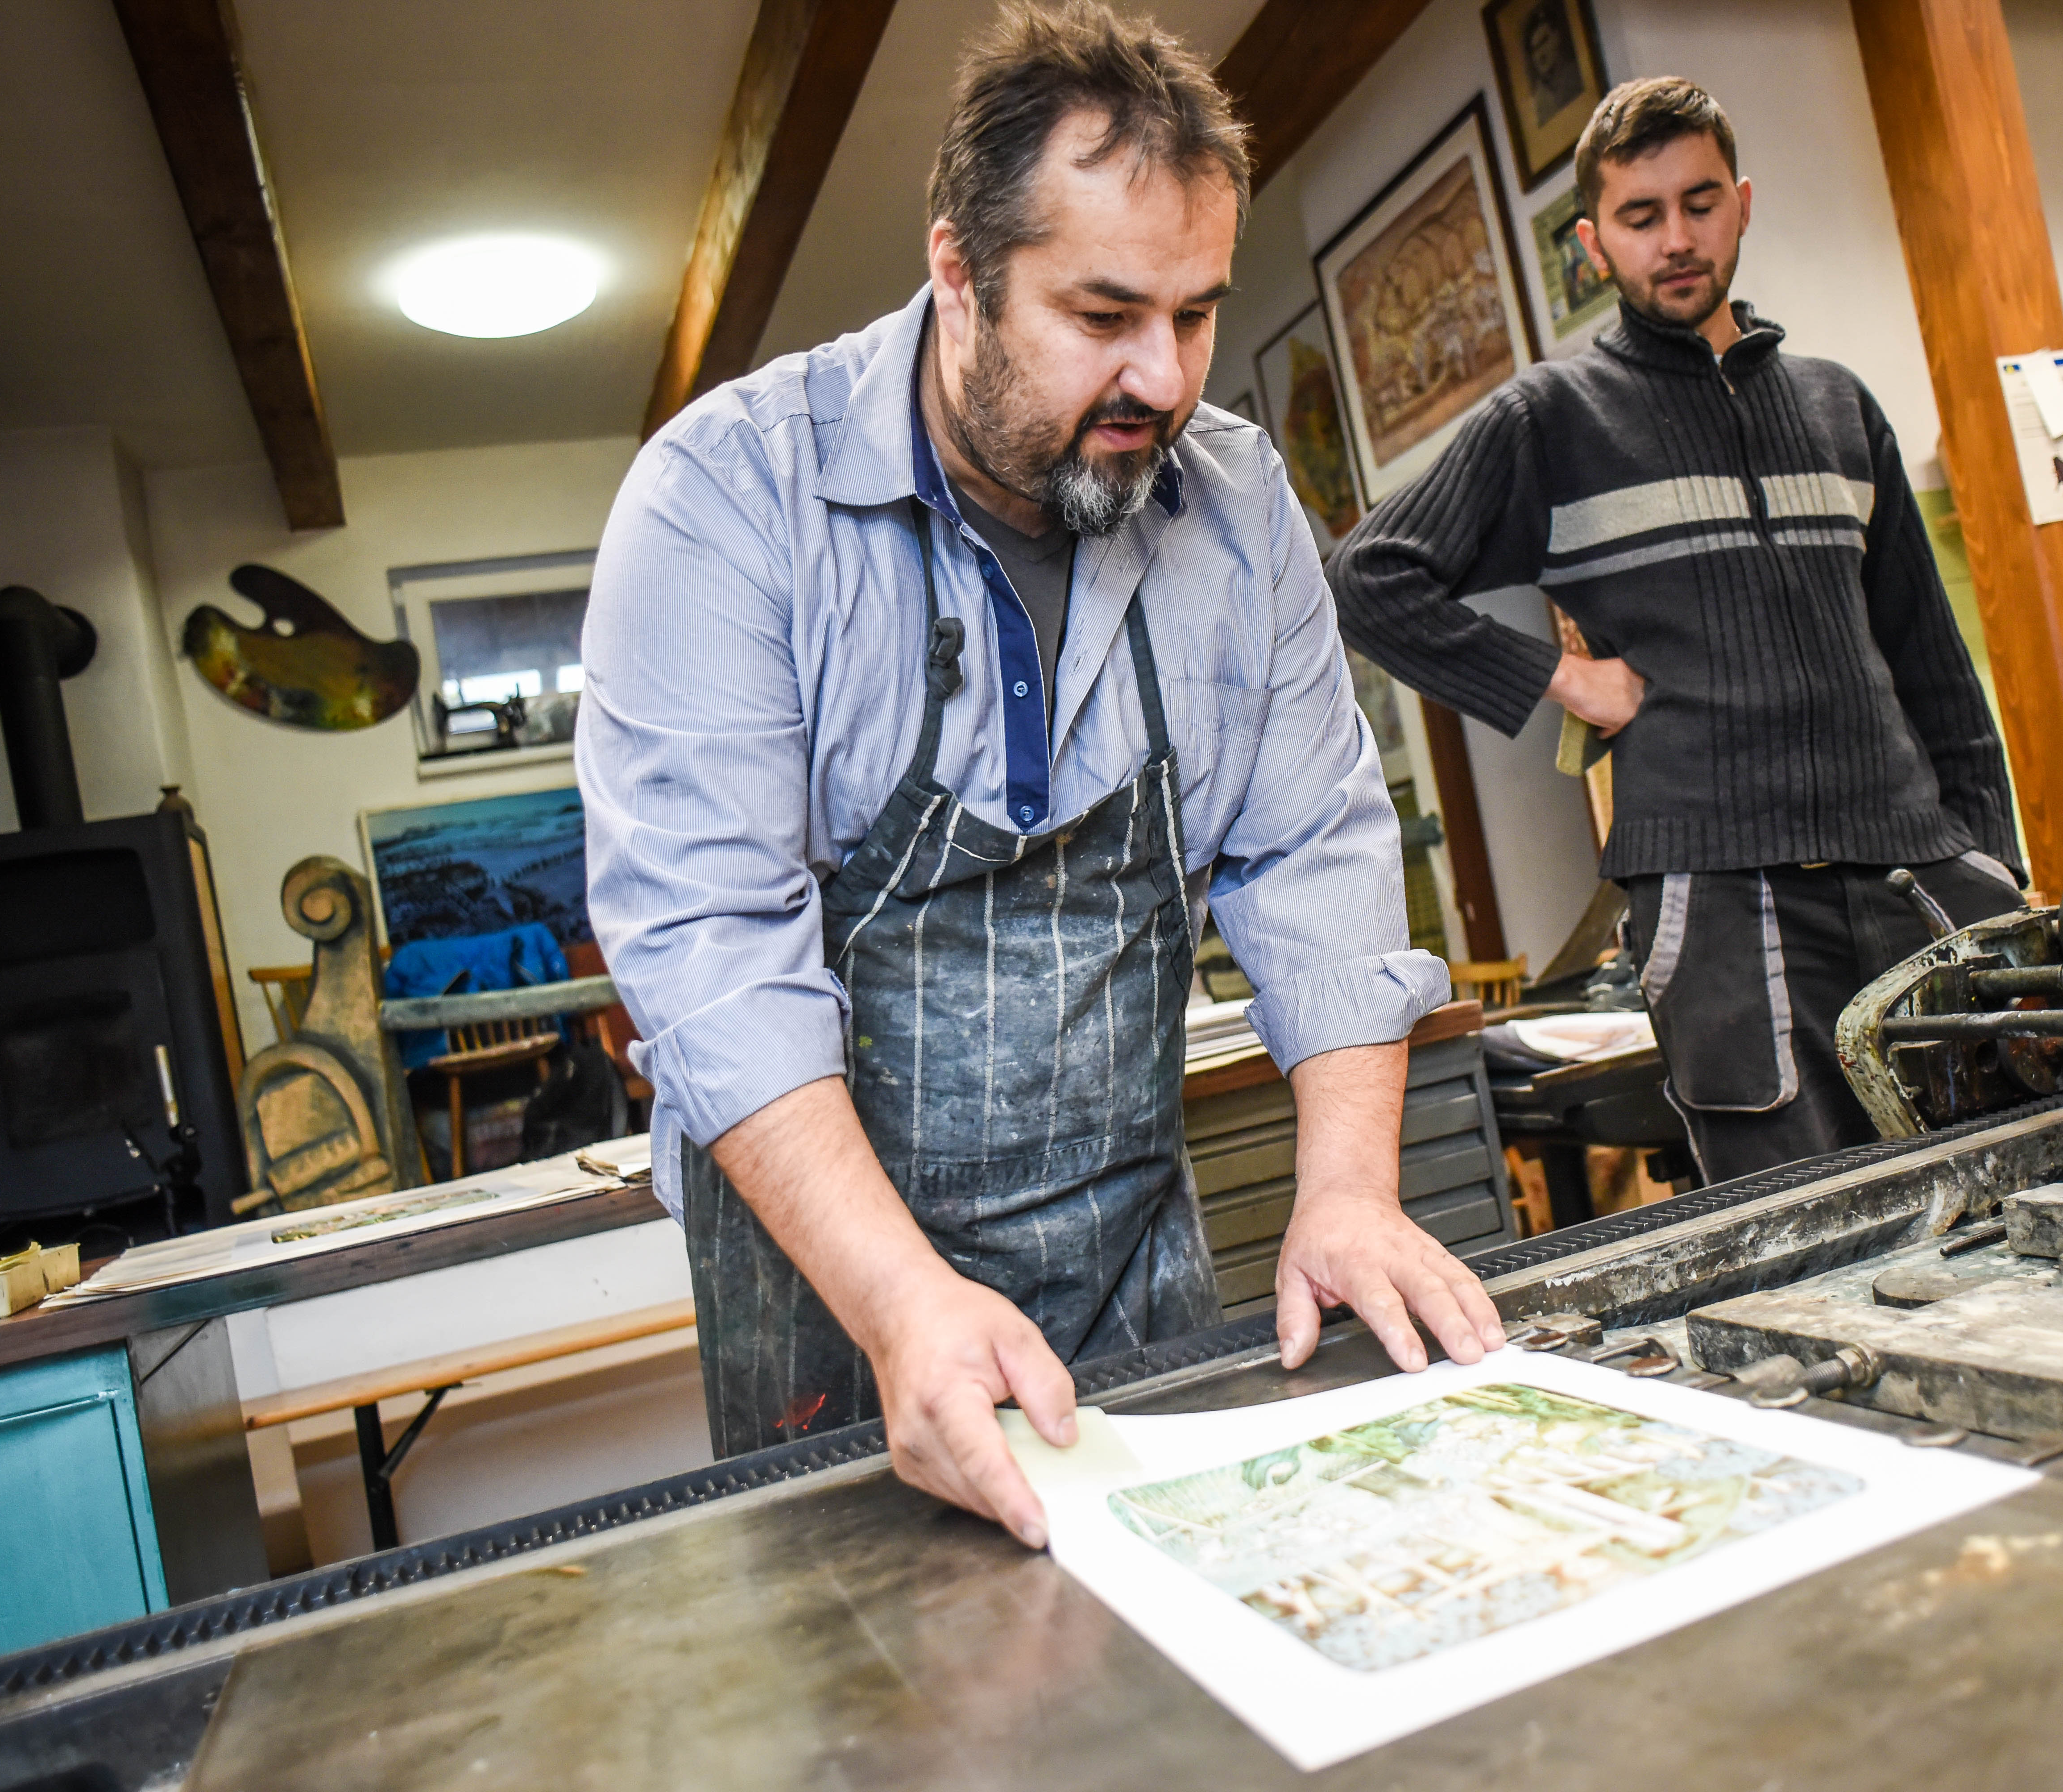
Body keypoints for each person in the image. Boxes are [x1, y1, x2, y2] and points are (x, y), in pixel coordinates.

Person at [578, 1, 1503, 1551]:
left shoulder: (1236, 507)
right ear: (958, 271)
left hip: (1132, 1260)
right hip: (836, 1304)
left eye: (1194, 315)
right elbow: (711, 952)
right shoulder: (722, 503)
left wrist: (1349, 1190)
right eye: (1103, 314)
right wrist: (900, 1301)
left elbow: (1316, 855)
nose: (1164, 376)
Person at [1329, 78, 2026, 1186]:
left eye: (1699, 204)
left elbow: (1931, 666)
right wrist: (1569, 681)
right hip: (1718, 904)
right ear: (1593, 243)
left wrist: (1993, 867)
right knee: (1799, 1216)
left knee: (1999, 1175)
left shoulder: (1840, 408)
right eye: (1640, 216)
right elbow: (1368, 577)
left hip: (1910, 874)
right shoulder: (1552, 420)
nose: (1676, 240)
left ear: (1740, 204)